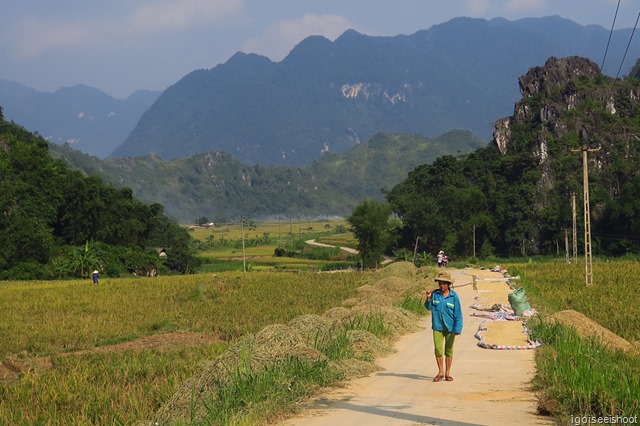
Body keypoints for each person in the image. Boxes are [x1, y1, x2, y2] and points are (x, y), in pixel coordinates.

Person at [425, 270, 463, 382]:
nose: (442, 285)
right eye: (440, 283)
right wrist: (428, 298)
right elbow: (428, 307)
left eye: (445, 283)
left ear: (449, 284)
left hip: (450, 327)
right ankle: (440, 372)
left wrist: (458, 328)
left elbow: (458, 314)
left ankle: (448, 373)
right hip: (437, 326)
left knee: (449, 350)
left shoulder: (454, 296)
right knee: (438, 349)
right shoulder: (435, 294)